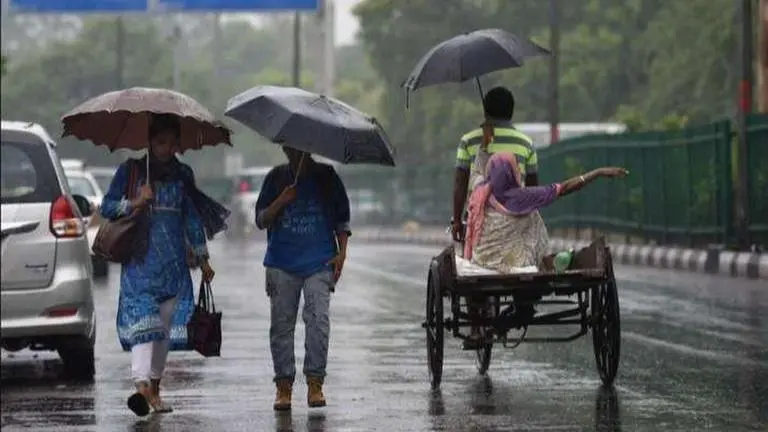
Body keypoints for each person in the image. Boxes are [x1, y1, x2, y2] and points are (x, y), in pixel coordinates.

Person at [100, 114, 229, 417]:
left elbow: (192, 219)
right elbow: (106, 206)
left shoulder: (183, 174)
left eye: (173, 143)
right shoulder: (131, 171)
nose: (167, 148)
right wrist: (134, 202)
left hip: (174, 267)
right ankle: (141, 386)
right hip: (140, 265)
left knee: (164, 332)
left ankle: (154, 389)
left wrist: (203, 258)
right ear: (149, 142)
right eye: (161, 142)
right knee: (146, 326)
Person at [461, 151, 628, 347]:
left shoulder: (479, 194)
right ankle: (511, 318)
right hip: (519, 264)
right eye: (517, 168)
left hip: (485, 261)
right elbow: (566, 188)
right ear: (512, 173)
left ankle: (494, 324)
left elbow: (476, 174)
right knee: (532, 218)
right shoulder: (524, 196)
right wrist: (598, 172)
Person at [254, 146, 351, 411]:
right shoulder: (275, 178)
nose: (293, 151)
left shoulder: (327, 176)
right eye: (288, 146)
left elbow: (342, 219)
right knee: (281, 326)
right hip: (281, 264)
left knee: (318, 321)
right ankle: (283, 386)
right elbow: (261, 219)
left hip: (319, 262)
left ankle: (315, 383)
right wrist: (281, 201)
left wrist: (342, 254)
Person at [451, 86, 538, 243]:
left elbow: (460, 183)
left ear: (485, 111)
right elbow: (532, 187)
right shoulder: (526, 143)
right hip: (516, 221)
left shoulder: (468, 141)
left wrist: (457, 221)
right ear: (511, 112)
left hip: (478, 223)